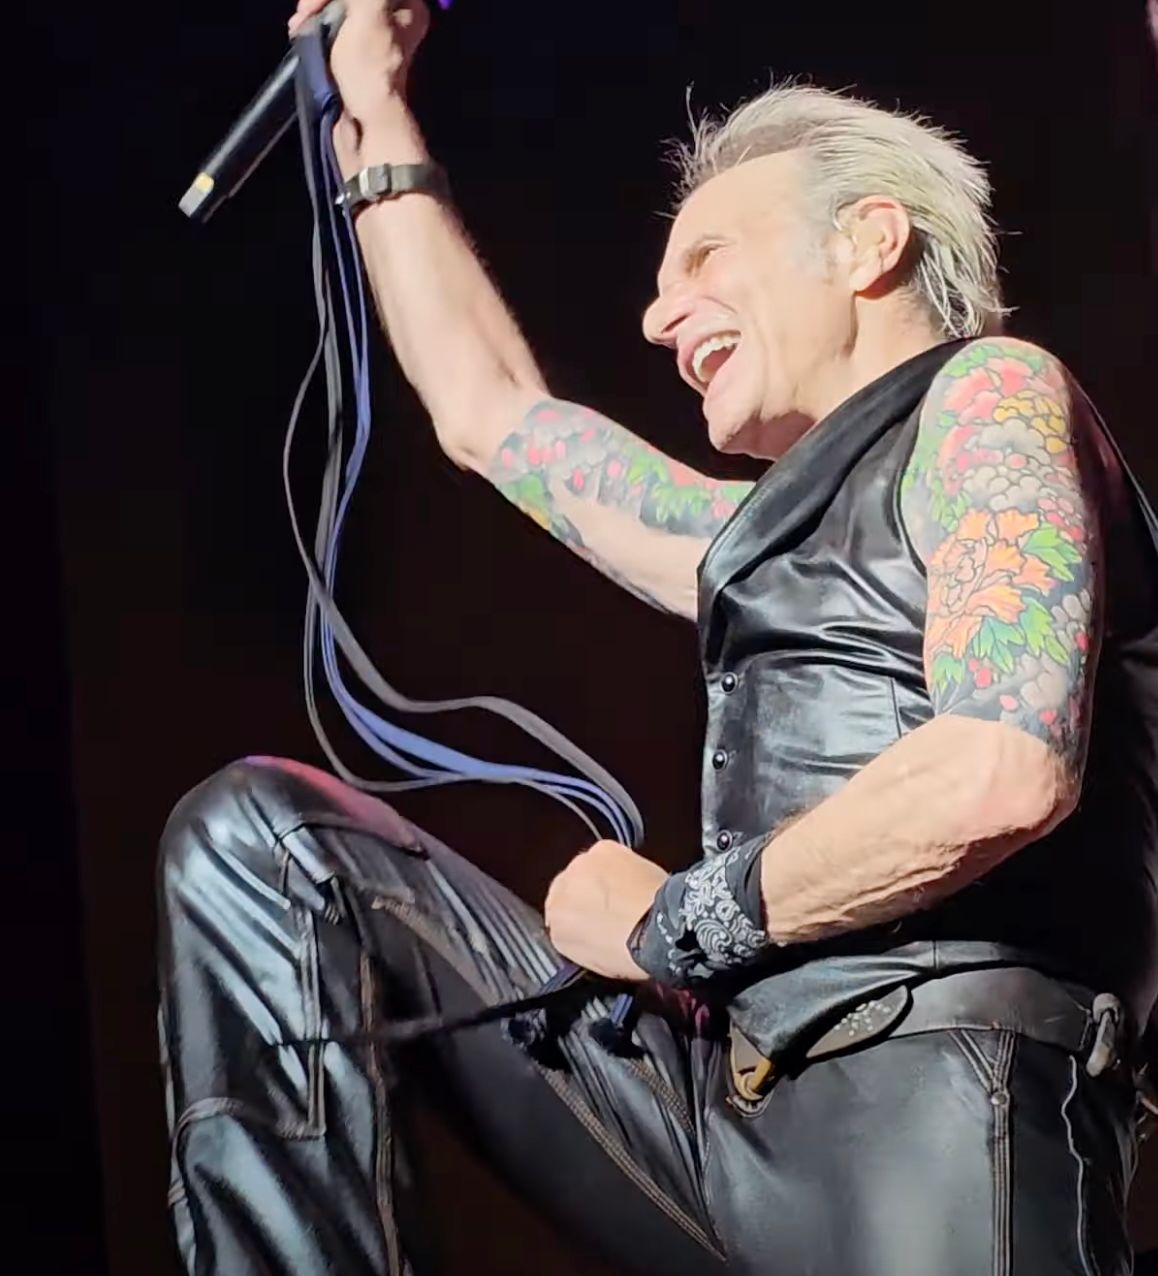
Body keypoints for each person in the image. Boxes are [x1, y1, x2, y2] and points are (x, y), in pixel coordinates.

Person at [157, 1, 1158, 1272]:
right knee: (268, 844)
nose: (656, 315)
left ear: (869, 240)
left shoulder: (990, 397)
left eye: (707, 259)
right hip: (732, 1103)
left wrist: (677, 922)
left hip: (937, 1102)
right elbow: (489, 413)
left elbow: (1000, 768)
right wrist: (376, 111)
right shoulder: (761, 535)